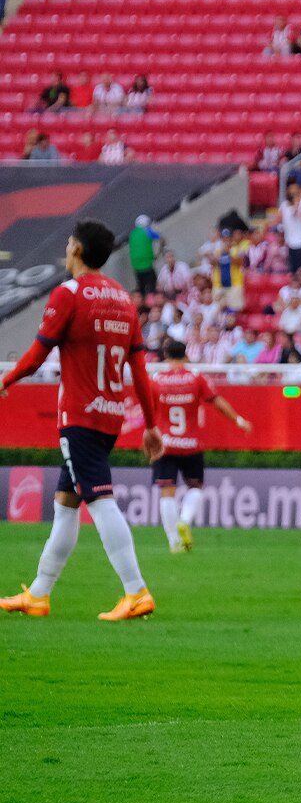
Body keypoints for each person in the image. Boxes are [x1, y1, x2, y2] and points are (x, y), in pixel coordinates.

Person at [0, 219, 164, 621]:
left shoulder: (68, 294)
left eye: (69, 241)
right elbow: (138, 370)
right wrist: (151, 424)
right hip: (109, 414)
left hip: (80, 415)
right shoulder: (124, 299)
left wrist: (6, 379)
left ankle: (136, 590)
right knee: (66, 505)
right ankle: (38, 593)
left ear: (75, 249)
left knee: (100, 501)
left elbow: (38, 354)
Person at [150, 339, 252, 553]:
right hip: (191, 444)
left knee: (166, 492)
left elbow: (148, 413)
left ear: (166, 356)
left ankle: (174, 542)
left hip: (165, 444)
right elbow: (217, 401)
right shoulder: (196, 378)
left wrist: (148, 442)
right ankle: (185, 521)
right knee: (195, 487)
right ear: (186, 355)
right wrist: (239, 420)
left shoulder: (157, 380)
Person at [128, 214, 160, 297]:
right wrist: (158, 252)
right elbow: (159, 238)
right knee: (153, 286)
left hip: (136, 267)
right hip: (147, 265)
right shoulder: (147, 231)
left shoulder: (132, 234)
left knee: (141, 288)